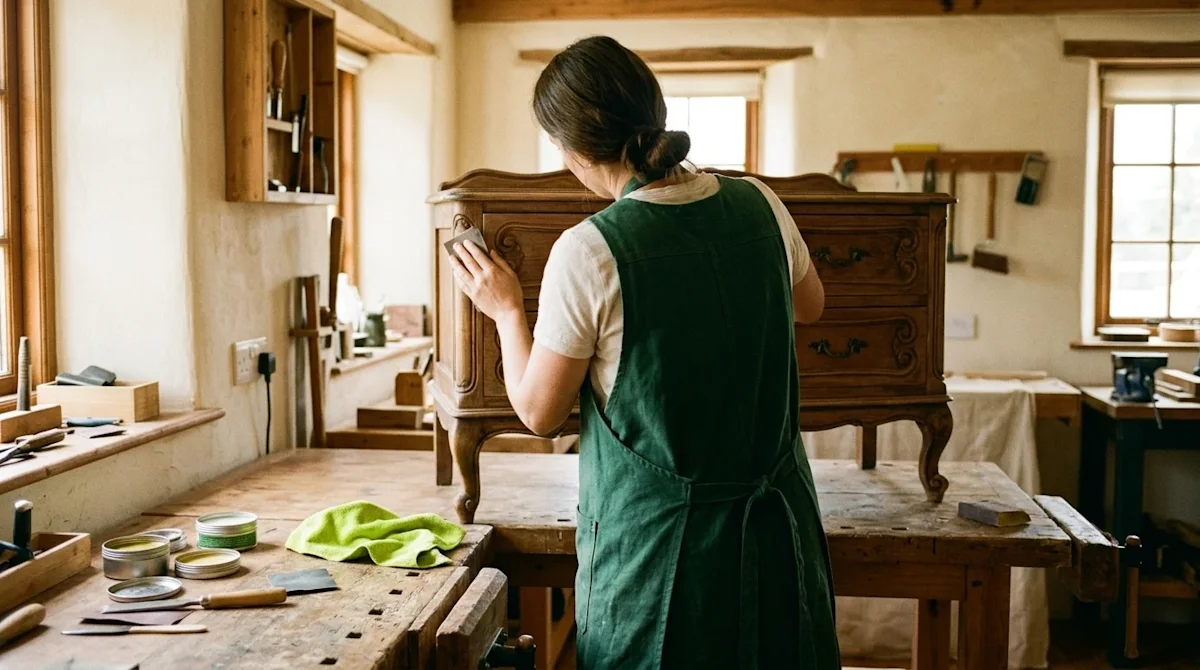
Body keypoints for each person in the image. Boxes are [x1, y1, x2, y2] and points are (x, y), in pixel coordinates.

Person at [448, 35, 840, 669]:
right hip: (778, 535)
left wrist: (505, 311)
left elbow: (540, 414)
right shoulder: (761, 204)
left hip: (663, 560)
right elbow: (810, 305)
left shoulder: (590, 250)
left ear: (570, 148)